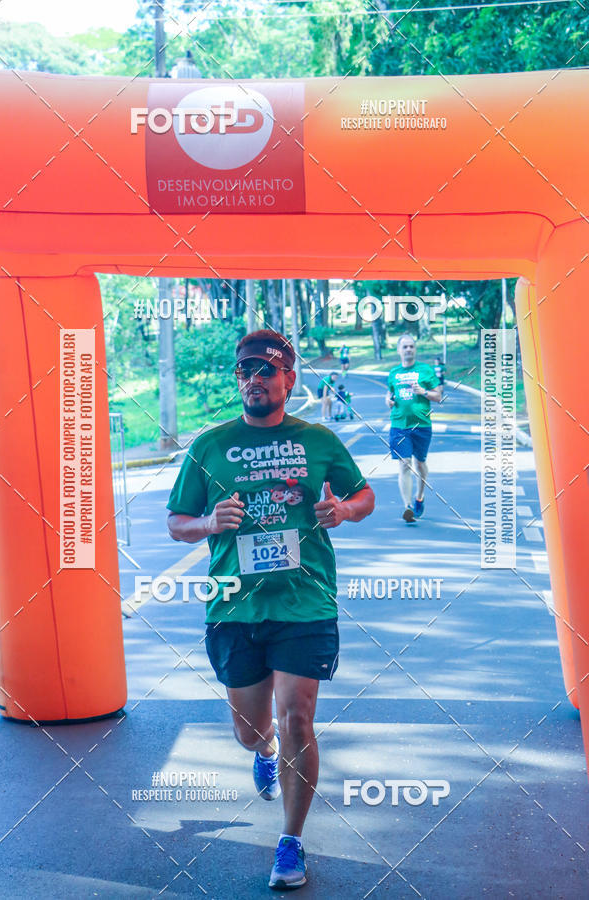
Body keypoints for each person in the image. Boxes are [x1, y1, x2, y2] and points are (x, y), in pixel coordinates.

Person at [167, 329, 375, 891]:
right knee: (251, 731)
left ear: (288, 378)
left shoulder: (317, 440)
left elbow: (363, 495)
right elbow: (176, 523)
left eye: (266, 370)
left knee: (297, 717)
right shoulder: (210, 445)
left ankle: (290, 840)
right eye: (245, 371)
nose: (254, 380)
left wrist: (343, 511)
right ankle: (263, 751)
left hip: (304, 601)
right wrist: (209, 523)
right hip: (234, 608)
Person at [386, 334, 441, 522]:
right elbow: (389, 394)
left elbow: (438, 396)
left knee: (419, 464)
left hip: (422, 425)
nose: (408, 349)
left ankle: (420, 496)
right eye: (405, 347)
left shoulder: (425, 370)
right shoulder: (393, 373)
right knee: (404, 463)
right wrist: (388, 401)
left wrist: (423, 392)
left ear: (415, 349)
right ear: (399, 350)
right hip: (399, 425)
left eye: (411, 346)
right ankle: (407, 507)